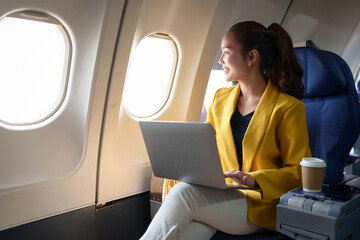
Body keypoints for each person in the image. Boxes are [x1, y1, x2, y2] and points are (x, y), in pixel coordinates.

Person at [140, 21, 311, 239]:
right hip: (222, 196)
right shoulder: (220, 99)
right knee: (185, 234)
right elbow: (206, 151)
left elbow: (298, 172)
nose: (220, 60)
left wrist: (254, 178)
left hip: (259, 205)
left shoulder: (288, 108)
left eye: (226, 52)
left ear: (252, 57)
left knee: (183, 195)